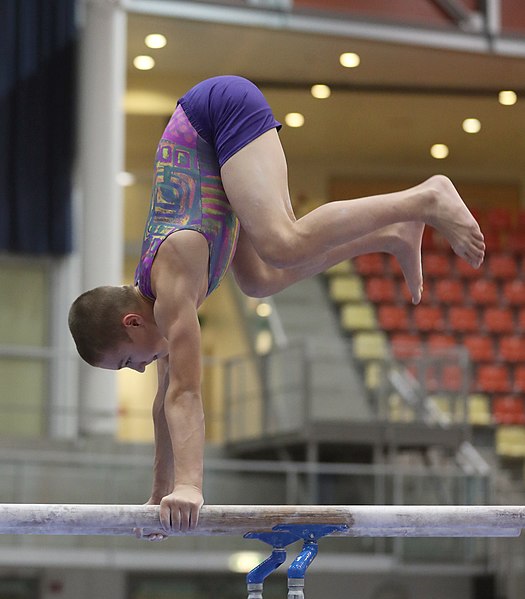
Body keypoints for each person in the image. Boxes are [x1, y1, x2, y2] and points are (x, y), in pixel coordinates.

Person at [68, 75, 485, 539]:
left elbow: (184, 394)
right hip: (212, 162)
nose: (140, 369)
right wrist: (159, 496)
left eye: (128, 361)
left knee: (283, 242)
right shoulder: (160, 306)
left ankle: (426, 197)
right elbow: (163, 407)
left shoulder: (175, 275)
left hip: (217, 113)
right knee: (258, 279)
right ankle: (392, 233)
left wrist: (190, 485)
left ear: (132, 321)